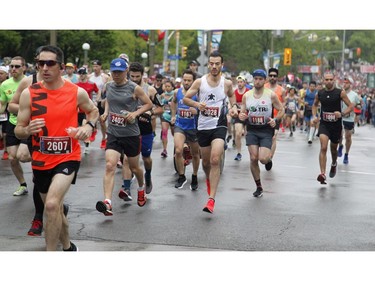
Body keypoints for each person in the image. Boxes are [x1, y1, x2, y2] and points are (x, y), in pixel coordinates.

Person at [15, 45, 99, 251]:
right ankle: (69, 246)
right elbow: (18, 129)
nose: (44, 67)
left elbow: (93, 111)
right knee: (55, 210)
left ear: (61, 67)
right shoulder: (30, 93)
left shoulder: (75, 92)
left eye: (50, 63)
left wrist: (88, 126)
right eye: (40, 63)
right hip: (41, 159)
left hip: (67, 156)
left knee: (51, 205)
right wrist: (27, 131)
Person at [96, 58, 152, 216]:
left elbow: (149, 104)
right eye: (114, 71)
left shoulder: (134, 88)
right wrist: (106, 112)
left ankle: (141, 188)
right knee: (109, 165)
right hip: (113, 133)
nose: (116, 75)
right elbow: (108, 100)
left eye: (119, 72)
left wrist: (135, 113)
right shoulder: (108, 85)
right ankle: (107, 202)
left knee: (135, 168)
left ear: (126, 71)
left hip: (131, 134)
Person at [183, 51, 237, 214]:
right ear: (208, 65)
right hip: (203, 126)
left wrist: (234, 107)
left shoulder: (226, 83)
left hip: (219, 125)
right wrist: (197, 105)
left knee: (215, 159)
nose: (214, 66)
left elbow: (232, 97)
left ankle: (211, 199)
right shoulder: (200, 82)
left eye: (217, 64)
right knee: (205, 162)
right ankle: (208, 180)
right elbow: (186, 98)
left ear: (222, 65)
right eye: (211, 63)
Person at [119, 61, 163, 200]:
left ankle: (148, 175)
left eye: (137, 76)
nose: (134, 79)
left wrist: (151, 113)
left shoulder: (150, 90)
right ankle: (126, 188)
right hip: (129, 129)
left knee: (146, 158)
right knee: (126, 159)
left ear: (142, 75)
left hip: (145, 130)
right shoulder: (124, 88)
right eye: (132, 76)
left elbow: (161, 108)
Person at [239, 69, 285, 198]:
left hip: (265, 130)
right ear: (253, 80)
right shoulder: (247, 95)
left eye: (260, 79)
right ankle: (258, 186)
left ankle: (268, 159)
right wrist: (242, 116)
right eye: (255, 78)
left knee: (263, 159)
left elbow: (281, 109)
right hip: (252, 129)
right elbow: (243, 113)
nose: (257, 81)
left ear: (264, 81)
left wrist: (275, 120)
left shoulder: (271, 95)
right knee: (253, 158)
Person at [312, 72, 354, 185]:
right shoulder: (320, 93)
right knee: (323, 147)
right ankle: (322, 174)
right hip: (324, 124)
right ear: (323, 80)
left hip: (336, 126)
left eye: (331, 79)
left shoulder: (340, 93)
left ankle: (334, 163)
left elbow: (351, 106)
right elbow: (315, 105)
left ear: (334, 80)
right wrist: (315, 116)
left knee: (333, 149)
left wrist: (342, 113)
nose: (329, 81)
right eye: (327, 79)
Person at [0, 56, 29, 196]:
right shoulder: (5, 85)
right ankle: (23, 184)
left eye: (17, 66)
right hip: (12, 123)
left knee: (22, 155)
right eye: (11, 66)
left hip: (27, 124)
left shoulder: (30, 82)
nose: (13, 69)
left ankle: (40, 168)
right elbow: (2, 104)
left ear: (24, 67)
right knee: (12, 158)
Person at [170, 69, 200, 190]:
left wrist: (197, 111)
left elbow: (204, 108)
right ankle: (181, 176)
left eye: (189, 80)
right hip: (180, 125)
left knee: (195, 154)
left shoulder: (197, 94)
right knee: (178, 151)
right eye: (185, 80)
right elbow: (173, 103)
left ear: (193, 81)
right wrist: (173, 115)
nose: (186, 82)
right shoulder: (177, 92)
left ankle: (195, 175)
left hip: (193, 127)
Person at [264, 67, 285, 171]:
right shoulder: (264, 87)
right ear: (268, 76)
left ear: (277, 77)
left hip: (276, 117)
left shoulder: (281, 90)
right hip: (264, 116)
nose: (272, 77)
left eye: (274, 76)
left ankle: (269, 158)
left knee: (273, 137)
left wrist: (281, 114)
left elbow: (284, 103)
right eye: (271, 75)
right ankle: (265, 153)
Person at [76, 67, 100, 154]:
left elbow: (98, 91)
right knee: (77, 127)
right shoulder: (75, 85)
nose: (82, 75)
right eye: (80, 73)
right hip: (78, 110)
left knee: (85, 125)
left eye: (83, 73)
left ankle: (86, 145)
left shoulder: (91, 84)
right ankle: (79, 144)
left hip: (87, 110)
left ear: (86, 74)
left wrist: (96, 100)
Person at [337, 77, 361, 164]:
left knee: (348, 137)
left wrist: (355, 105)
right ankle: (340, 146)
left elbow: (359, 106)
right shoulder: (340, 93)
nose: (344, 84)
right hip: (340, 116)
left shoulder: (354, 95)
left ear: (350, 84)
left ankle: (346, 154)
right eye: (344, 83)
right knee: (339, 133)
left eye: (346, 83)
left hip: (349, 118)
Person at [89, 59, 110, 149]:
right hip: (90, 101)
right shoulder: (89, 76)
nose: (95, 68)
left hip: (101, 101)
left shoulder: (104, 77)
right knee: (90, 118)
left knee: (102, 122)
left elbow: (108, 89)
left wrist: (103, 99)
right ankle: (94, 130)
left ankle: (104, 138)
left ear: (100, 67)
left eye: (97, 66)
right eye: (93, 66)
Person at [232, 75, 249, 160]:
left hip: (248, 115)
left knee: (248, 135)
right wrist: (232, 110)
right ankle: (239, 153)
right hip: (238, 115)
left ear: (244, 83)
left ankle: (252, 153)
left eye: (241, 82)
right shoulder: (235, 92)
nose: (239, 84)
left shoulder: (249, 92)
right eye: (238, 82)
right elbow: (232, 104)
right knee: (238, 133)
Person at [160, 79, 175, 157]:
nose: (167, 88)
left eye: (169, 86)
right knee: (164, 132)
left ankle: (176, 148)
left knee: (174, 133)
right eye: (166, 86)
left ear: (172, 87)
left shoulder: (175, 94)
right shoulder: (162, 95)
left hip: (173, 116)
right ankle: (164, 150)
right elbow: (159, 105)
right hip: (165, 116)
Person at [0, 65, 9, 160]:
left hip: (6, 111)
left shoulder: (8, 84)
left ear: (6, 75)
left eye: (1, 73)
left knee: (5, 133)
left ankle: (6, 151)